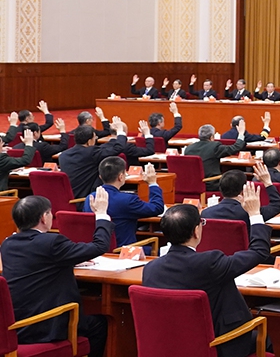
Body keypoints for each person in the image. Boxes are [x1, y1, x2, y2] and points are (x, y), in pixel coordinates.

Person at [143, 188, 272, 357]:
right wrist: (255, 213)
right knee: (262, 337)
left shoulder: (150, 269)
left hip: (167, 345)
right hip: (214, 344)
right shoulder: (210, 263)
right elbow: (259, 251)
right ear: (196, 231)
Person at [1, 190, 112, 357]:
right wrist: (102, 214)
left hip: (16, 326)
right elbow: (99, 246)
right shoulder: (52, 243)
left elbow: (36, 261)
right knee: (102, 324)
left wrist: (71, 258)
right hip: (46, 327)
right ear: (44, 218)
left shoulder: (8, 244)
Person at [83, 157, 163, 247]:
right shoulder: (128, 200)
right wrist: (152, 183)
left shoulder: (90, 198)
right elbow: (157, 208)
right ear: (121, 177)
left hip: (97, 248)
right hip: (123, 250)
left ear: (100, 177)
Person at [59, 120, 151, 198]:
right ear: (89, 141)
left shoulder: (63, 155)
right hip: (90, 199)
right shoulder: (92, 153)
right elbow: (118, 148)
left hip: (70, 198)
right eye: (95, 138)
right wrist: (121, 132)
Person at [202, 162, 280, 232]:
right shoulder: (251, 212)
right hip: (246, 251)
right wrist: (267, 183)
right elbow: (277, 206)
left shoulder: (206, 213)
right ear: (244, 190)